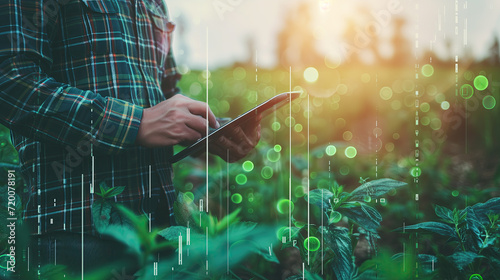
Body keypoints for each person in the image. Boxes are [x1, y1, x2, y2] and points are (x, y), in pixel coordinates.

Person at [0, 0, 260, 278]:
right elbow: (12, 82)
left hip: (162, 233)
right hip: (76, 236)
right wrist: (136, 123)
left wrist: (211, 132)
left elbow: (165, 94)